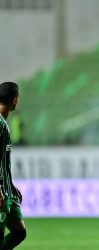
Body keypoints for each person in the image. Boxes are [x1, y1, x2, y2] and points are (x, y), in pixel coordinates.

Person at [0, 82, 26, 249]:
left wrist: (10, 183)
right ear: (15, 100)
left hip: (7, 189)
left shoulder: (4, 122)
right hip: (0, 191)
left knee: (19, 232)